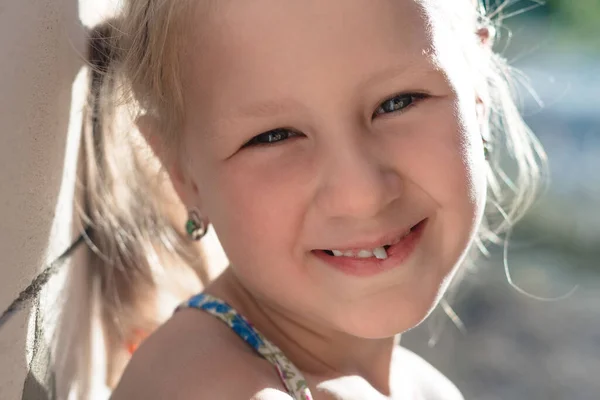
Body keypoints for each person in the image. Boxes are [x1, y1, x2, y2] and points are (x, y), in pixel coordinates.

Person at [54, 0, 546, 398]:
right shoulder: (206, 389)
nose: (361, 194)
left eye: (397, 103)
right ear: (183, 174)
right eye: (275, 136)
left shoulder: (425, 387)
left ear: (477, 95)